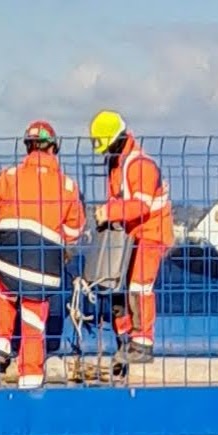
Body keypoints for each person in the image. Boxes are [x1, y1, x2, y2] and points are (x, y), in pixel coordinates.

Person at [0, 120, 85, 384]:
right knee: (34, 319)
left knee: (5, 293)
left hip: (9, 257)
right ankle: (31, 376)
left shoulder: (10, 176)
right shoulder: (68, 186)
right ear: (54, 148)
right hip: (44, 267)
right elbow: (74, 231)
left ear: (28, 147)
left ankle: (0, 346)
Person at [89, 109, 172, 369]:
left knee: (139, 287)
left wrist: (109, 212)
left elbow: (141, 206)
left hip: (151, 234)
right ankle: (127, 340)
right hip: (130, 235)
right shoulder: (119, 164)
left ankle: (142, 344)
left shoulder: (139, 164)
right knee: (120, 288)